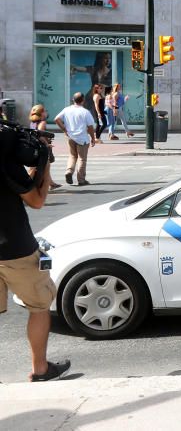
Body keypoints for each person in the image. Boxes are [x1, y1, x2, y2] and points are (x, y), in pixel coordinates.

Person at [0, 123, 71, 381]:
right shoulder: (7, 164)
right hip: (14, 249)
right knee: (39, 307)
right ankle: (40, 369)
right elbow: (37, 200)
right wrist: (44, 162)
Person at [53, 93, 97, 187]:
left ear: (73, 100)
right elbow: (90, 127)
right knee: (82, 158)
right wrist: (93, 138)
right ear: (83, 100)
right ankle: (81, 180)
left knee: (73, 156)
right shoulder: (85, 112)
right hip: (82, 138)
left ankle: (69, 171)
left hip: (70, 137)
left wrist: (64, 129)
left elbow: (56, 119)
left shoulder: (67, 109)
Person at [28, 105, 61, 190]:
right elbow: (40, 135)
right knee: (39, 167)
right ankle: (27, 184)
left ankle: (51, 183)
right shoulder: (42, 122)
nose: (46, 113)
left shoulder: (33, 122)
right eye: (45, 111)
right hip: (41, 147)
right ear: (42, 113)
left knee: (43, 166)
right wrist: (47, 144)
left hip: (34, 146)